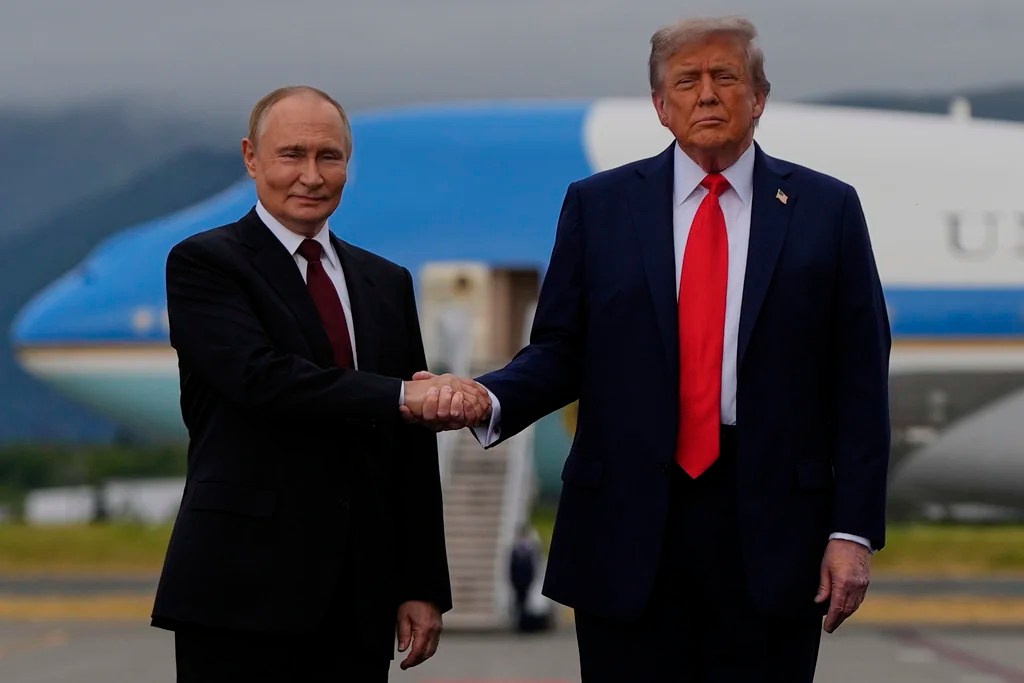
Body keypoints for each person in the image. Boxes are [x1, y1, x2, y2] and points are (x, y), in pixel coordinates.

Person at [413, 15, 891, 682]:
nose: (707, 94)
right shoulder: (599, 206)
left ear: (759, 97)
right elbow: (561, 350)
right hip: (625, 524)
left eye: (726, 76)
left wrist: (852, 531)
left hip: (774, 531)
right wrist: (485, 397)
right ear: (661, 105)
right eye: (687, 81)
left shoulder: (826, 209)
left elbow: (859, 382)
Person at [151, 85, 490, 682]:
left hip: (356, 602)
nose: (311, 175)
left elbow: (407, 451)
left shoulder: (385, 282)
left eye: (329, 156)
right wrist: (400, 395)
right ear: (251, 157)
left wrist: (421, 583)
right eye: (292, 154)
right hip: (239, 593)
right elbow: (260, 379)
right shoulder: (205, 263)